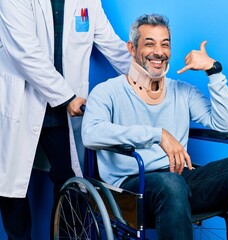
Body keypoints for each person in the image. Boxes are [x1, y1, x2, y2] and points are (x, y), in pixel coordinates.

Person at [82, 13, 228, 240]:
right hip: (130, 188)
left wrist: (213, 71)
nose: (158, 52)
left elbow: (224, 124)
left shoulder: (183, 91)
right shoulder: (107, 91)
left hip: (179, 180)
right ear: (132, 48)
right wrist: (157, 135)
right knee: (171, 182)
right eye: (149, 44)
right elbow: (91, 134)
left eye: (165, 44)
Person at [0, 0, 131, 239]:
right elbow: (25, 52)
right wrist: (66, 96)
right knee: (12, 188)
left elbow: (113, 46)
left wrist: (148, 74)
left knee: (69, 182)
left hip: (60, 111)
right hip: (22, 101)